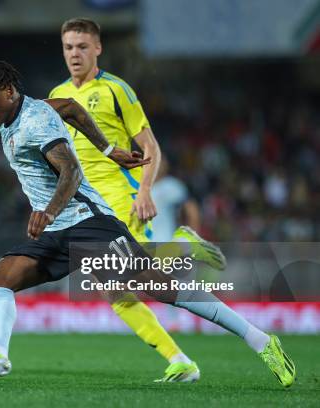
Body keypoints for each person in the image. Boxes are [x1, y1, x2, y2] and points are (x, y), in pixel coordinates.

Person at [0, 61, 295, 389]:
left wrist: (49, 211)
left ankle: (262, 340)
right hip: (55, 232)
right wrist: (109, 147)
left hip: (87, 223)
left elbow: (71, 171)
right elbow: (69, 106)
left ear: (8, 90)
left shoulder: (35, 122)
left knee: (161, 288)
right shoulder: (25, 113)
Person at [48, 18, 225, 381]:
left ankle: (183, 250)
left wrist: (144, 190)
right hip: (86, 204)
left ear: (97, 48)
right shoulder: (57, 96)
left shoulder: (116, 90)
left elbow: (150, 147)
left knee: (142, 279)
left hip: (119, 194)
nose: (75, 54)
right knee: (115, 290)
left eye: (82, 46)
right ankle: (179, 360)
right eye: (69, 47)